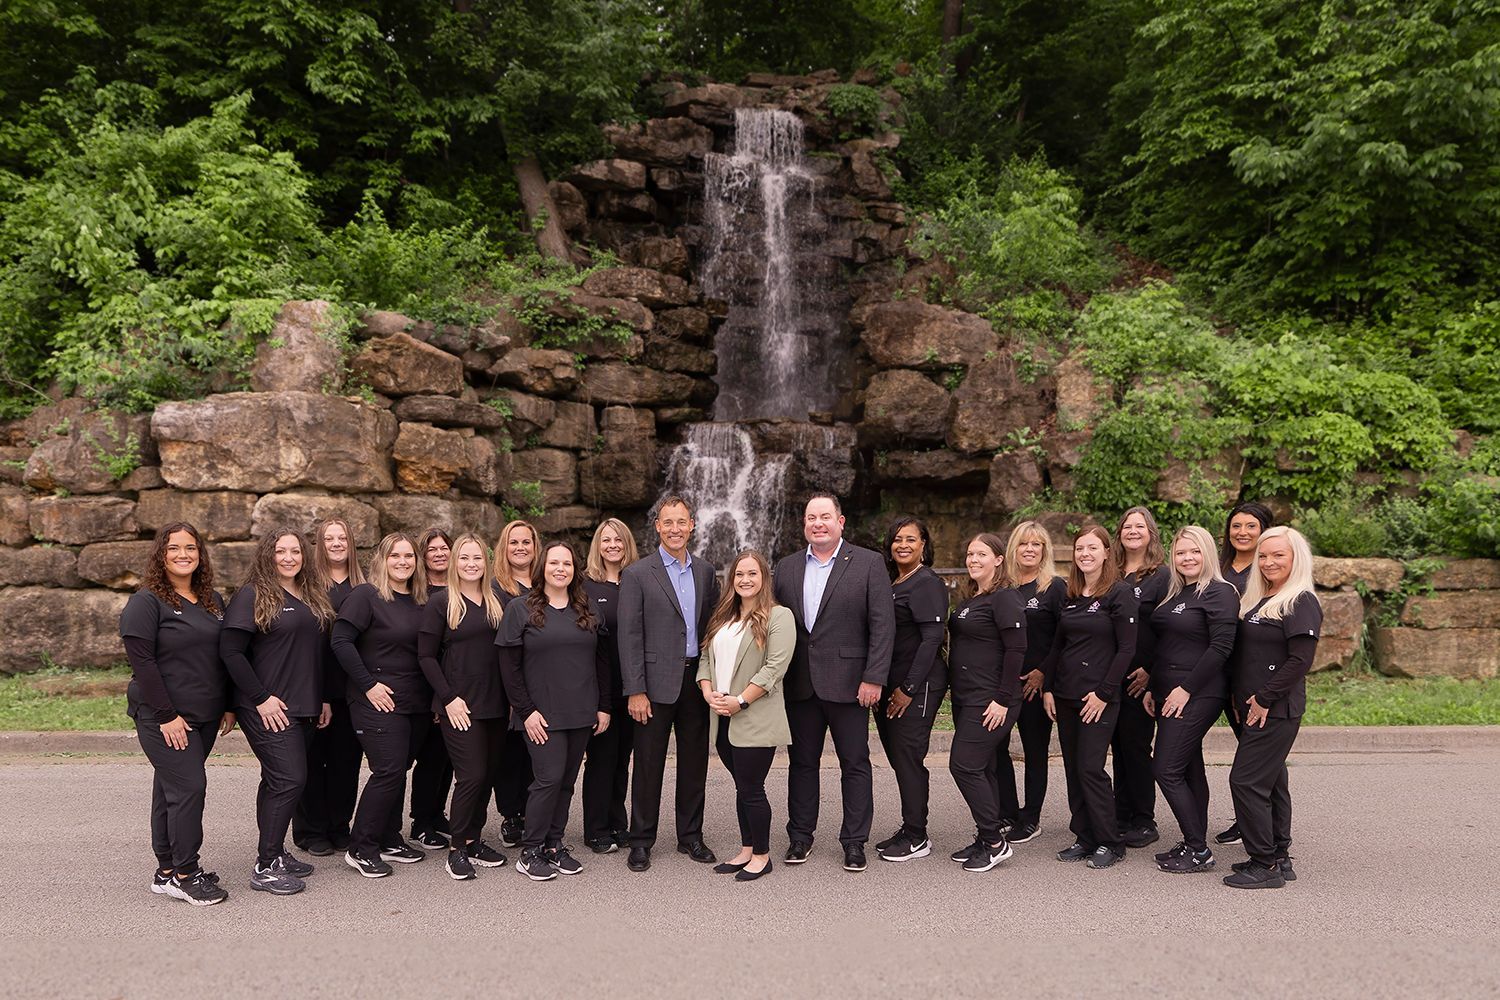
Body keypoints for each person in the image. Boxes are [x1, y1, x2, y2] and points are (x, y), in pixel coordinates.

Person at [772, 493, 895, 873]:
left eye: (825, 517)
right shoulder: (787, 566)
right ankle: (800, 837)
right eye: (811, 518)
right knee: (801, 764)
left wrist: (874, 677)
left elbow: (882, 625)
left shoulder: (869, 563)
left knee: (855, 763)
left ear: (841, 522)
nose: (818, 523)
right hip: (800, 684)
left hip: (850, 684)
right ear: (804, 524)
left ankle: (854, 841)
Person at [121, 522, 235, 906]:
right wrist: (167, 714)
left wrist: (229, 705)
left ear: (200, 554)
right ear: (161, 555)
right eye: (174, 548)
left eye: (191, 548)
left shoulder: (212, 600)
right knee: (189, 787)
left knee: (170, 790)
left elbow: (224, 657)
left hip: (205, 715)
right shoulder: (147, 601)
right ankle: (187, 874)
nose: (183, 554)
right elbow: (144, 663)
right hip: (164, 717)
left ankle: (166, 870)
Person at [221, 528, 335, 895]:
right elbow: (231, 652)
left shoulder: (311, 594)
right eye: (280, 551)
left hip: (304, 705)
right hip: (268, 707)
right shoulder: (252, 595)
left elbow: (313, 654)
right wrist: (260, 697)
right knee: (289, 780)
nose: (288, 557)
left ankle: (274, 851)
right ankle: (266, 865)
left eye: (296, 551)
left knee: (276, 781)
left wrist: (323, 699)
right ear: (267, 555)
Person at [498, 541, 612, 881]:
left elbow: (602, 662)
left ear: (574, 569)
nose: (560, 569)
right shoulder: (520, 609)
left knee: (566, 782)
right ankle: (530, 849)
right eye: (553, 563)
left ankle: (554, 844)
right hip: (540, 714)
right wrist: (526, 711)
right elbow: (509, 668)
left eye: (566, 563)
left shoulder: (588, 608)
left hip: (581, 710)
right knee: (547, 779)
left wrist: (603, 706)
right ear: (542, 569)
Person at [619, 496, 720, 872]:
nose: (675, 529)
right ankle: (641, 840)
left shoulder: (707, 572)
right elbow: (629, 637)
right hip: (653, 686)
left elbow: (712, 628)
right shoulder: (637, 574)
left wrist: (712, 679)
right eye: (668, 522)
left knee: (695, 764)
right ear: (657, 527)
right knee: (648, 764)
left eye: (682, 522)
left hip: (696, 682)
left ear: (692, 524)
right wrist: (635, 689)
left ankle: (690, 837)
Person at [1224, 526, 1322, 890]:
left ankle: (1263, 863)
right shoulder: (1263, 597)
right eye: (1264, 556)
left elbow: (1299, 661)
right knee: (1272, 781)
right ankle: (1278, 854)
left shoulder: (1301, 600)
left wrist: (1264, 698)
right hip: (1254, 706)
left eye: (1278, 555)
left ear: (1296, 557)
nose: (1268, 562)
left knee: (1246, 781)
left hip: (1276, 708)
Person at [333, 532, 430, 878]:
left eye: (409, 556)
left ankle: (389, 836)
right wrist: (369, 685)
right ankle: (362, 847)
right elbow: (341, 641)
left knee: (398, 769)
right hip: (375, 700)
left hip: (414, 701)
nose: (403, 562)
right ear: (381, 560)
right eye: (395, 556)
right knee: (387, 770)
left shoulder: (421, 600)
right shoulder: (366, 596)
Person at [1041, 525, 1138, 869]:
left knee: (1090, 767)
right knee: (1072, 768)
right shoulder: (1071, 593)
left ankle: (1110, 841)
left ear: (1106, 552)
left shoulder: (1120, 593)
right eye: (1080, 548)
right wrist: (1049, 687)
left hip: (1098, 696)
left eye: (1092, 548)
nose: (1085, 554)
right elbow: (1057, 646)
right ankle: (1084, 836)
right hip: (1065, 694)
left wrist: (1104, 693)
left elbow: (1127, 649)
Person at [1143, 526, 1239, 874]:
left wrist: (1185, 689)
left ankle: (1198, 850)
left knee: (1165, 768)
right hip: (1167, 692)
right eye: (1181, 553)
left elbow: (1221, 648)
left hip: (1199, 692)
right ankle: (1192, 838)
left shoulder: (1220, 592)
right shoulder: (1177, 593)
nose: (1187, 558)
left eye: (1194, 552)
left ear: (1208, 554)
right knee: (1187, 765)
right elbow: (1166, 646)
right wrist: (1155, 687)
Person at [696, 551, 795, 882]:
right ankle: (746, 848)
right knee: (742, 786)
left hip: (753, 714)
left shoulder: (779, 617)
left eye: (752, 573)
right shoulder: (723, 618)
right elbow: (705, 659)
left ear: (764, 578)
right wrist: (708, 692)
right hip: (721, 715)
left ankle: (762, 856)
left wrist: (740, 700)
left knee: (752, 788)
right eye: (739, 574)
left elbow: (774, 669)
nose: (745, 580)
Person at [417, 533, 510, 881]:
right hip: (458, 704)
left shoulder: (497, 599)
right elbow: (425, 657)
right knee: (470, 775)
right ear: (455, 562)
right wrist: (448, 699)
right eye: (465, 558)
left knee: (487, 775)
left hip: (496, 703)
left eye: (477, 558)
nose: (471, 564)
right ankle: (456, 848)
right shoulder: (442, 602)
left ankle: (473, 839)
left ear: (486, 563)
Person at [946, 534, 1028, 873]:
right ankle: (985, 835)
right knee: (984, 767)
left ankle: (995, 842)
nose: (973, 559)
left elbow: (1017, 650)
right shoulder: (973, 597)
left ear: (998, 559)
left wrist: (1002, 700)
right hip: (967, 696)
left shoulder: (1006, 598)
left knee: (963, 765)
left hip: (991, 698)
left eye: (982, 553)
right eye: (969, 553)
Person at [873, 516, 948, 864]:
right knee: (899, 757)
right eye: (897, 539)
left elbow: (932, 638)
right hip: (892, 684)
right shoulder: (895, 582)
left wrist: (908, 689)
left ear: (923, 545)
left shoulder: (927, 583)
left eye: (911, 540)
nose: (903, 545)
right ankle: (910, 825)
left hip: (917, 685)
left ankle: (917, 835)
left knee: (908, 757)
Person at [293, 517, 366, 857]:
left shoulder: (364, 584)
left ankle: (339, 826)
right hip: (316, 686)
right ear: (319, 545)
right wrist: (320, 695)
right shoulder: (309, 585)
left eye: (342, 538)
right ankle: (310, 830)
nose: (336, 543)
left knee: (346, 762)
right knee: (312, 760)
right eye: (329, 538)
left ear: (351, 543)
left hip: (354, 688)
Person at [997, 520, 1063, 845]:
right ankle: (1007, 812)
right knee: (997, 748)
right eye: (1023, 543)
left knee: (1035, 751)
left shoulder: (1054, 587)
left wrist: (1043, 672)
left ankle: (1031, 816)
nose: (1029, 549)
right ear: (1014, 548)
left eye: (1036, 544)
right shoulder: (1002, 587)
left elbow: (1065, 637)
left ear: (1044, 550)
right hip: (1004, 684)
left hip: (1036, 684)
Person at [1213, 501, 1274, 847]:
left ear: (1264, 531)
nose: (1242, 533)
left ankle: (1271, 832)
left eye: (1251, 526)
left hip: (1250, 673)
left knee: (1258, 756)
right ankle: (1246, 820)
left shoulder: (1267, 569)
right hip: (1217, 670)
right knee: (1245, 749)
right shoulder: (1220, 569)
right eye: (1236, 526)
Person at [1112, 506, 1170, 848]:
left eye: (1140, 526)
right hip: (1111, 674)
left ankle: (1143, 820)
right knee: (1116, 747)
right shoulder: (1111, 573)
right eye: (1127, 526)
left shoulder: (1162, 576)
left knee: (1135, 747)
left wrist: (1151, 671)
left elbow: (1167, 630)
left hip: (1140, 676)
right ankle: (1120, 814)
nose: (1133, 531)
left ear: (1150, 532)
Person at [581, 518, 639, 855]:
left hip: (632, 689)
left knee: (621, 760)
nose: (612, 545)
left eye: (618, 539)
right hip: (599, 689)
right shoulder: (587, 586)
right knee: (601, 760)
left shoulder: (637, 581)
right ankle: (596, 828)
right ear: (597, 546)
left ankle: (618, 822)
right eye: (606, 539)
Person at [492, 519, 540, 849]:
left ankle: (535, 814)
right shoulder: (495, 588)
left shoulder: (546, 584)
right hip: (507, 684)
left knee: (536, 754)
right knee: (510, 755)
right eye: (514, 543)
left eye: (526, 542)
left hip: (542, 681)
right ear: (503, 549)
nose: (520, 548)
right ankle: (512, 817)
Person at [409, 528, 455, 850]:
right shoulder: (416, 593)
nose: (439, 554)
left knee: (448, 758)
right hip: (423, 687)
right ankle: (420, 822)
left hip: (452, 689)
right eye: (432, 549)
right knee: (428, 758)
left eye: (444, 548)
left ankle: (438, 814)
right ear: (422, 556)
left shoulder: (458, 589)